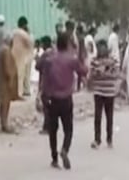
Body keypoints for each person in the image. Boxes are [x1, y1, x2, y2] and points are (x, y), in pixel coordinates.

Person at [37, 32, 88, 170]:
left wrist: (43, 95)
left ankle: (54, 158)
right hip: (66, 98)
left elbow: (40, 70)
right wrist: (80, 56)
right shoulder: (71, 59)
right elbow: (84, 71)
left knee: (53, 130)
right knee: (68, 129)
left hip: (52, 98)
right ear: (67, 44)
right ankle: (65, 149)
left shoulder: (50, 59)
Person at [87, 40, 121, 149]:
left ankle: (109, 139)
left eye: (103, 47)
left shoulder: (113, 61)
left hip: (109, 92)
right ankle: (97, 139)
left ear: (106, 49)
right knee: (97, 116)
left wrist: (102, 72)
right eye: (100, 47)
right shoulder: (94, 61)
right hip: (98, 91)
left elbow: (115, 75)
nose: (102, 50)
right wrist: (105, 72)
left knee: (109, 117)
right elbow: (92, 74)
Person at [0, 36, 20, 133]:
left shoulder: (1, 50)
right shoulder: (6, 51)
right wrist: (10, 79)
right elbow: (7, 67)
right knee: (5, 104)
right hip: (6, 82)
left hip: (2, 81)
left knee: (3, 104)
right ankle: (5, 124)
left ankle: (3, 123)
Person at [12, 16, 35, 98]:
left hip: (15, 55)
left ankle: (19, 91)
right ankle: (24, 91)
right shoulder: (25, 34)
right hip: (26, 56)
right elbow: (31, 43)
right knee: (25, 75)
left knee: (18, 74)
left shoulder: (14, 32)